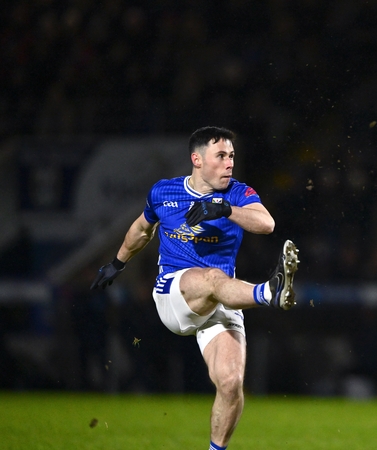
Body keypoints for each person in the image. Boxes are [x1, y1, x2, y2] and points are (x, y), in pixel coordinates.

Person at [90, 126, 300, 450]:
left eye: (232, 156)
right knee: (213, 277)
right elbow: (142, 229)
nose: (230, 163)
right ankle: (269, 293)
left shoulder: (237, 193)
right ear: (197, 159)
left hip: (221, 299)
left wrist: (225, 209)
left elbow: (267, 223)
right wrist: (117, 264)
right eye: (221, 156)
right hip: (175, 294)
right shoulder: (164, 192)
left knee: (230, 383)